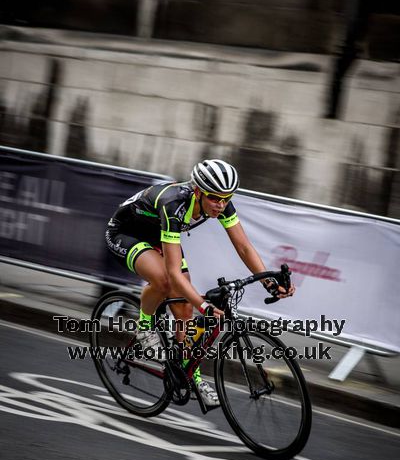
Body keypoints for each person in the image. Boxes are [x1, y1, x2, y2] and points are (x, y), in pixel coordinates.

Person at [105, 159, 294, 407]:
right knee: (164, 281)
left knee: (184, 310)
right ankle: (144, 327)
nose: (221, 204)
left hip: (159, 235)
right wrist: (203, 306)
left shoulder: (221, 203)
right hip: (126, 233)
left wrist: (269, 282)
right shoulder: (174, 204)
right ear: (198, 191)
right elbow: (173, 273)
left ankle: (190, 375)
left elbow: (244, 247)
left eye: (227, 198)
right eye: (215, 198)